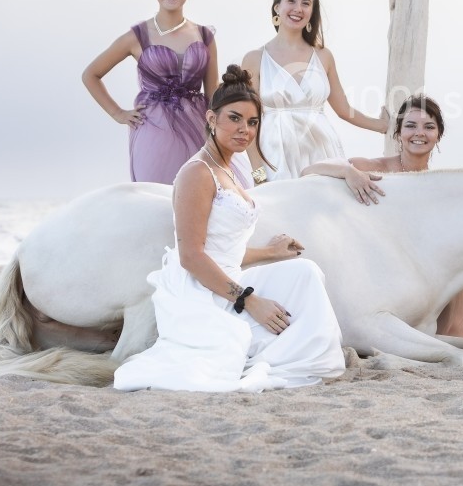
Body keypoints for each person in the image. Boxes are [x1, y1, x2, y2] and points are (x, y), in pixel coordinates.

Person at [113, 65, 346, 392]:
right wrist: (249, 301)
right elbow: (192, 257)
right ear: (211, 119)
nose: (245, 130)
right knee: (283, 308)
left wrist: (270, 252)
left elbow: (224, 247)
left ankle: (302, 350)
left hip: (230, 274)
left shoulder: (230, 170)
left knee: (305, 271)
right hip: (205, 288)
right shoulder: (197, 172)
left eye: (252, 122)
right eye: (234, 118)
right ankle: (285, 349)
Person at [302, 96, 463, 358]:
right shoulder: (372, 167)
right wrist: (348, 172)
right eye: (411, 126)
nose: (419, 133)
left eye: (428, 127)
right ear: (398, 133)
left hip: (423, 276)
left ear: (438, 135)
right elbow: (308, 170)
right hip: (374, 271)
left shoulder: (438, 184)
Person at [82, 0, 219, 184]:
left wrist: (219, 131)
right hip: (154, 129)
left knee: (200, 196)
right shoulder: (137, 36)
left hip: (198, 129)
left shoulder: (204, 36)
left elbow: (213, 92)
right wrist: (118, 114)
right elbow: (91, 75)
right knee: (156, 198)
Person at [241, 0, 388, 182]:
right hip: (274, 155)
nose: (298, 8)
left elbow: (344, 109)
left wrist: (384, 126)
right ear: (277, 8)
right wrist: (258, 173)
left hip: (322, 150)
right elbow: (247, 120)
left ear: (312, 12)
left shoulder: (323, 56)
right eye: (291, 1)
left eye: (306, 3)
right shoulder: (255, 59)